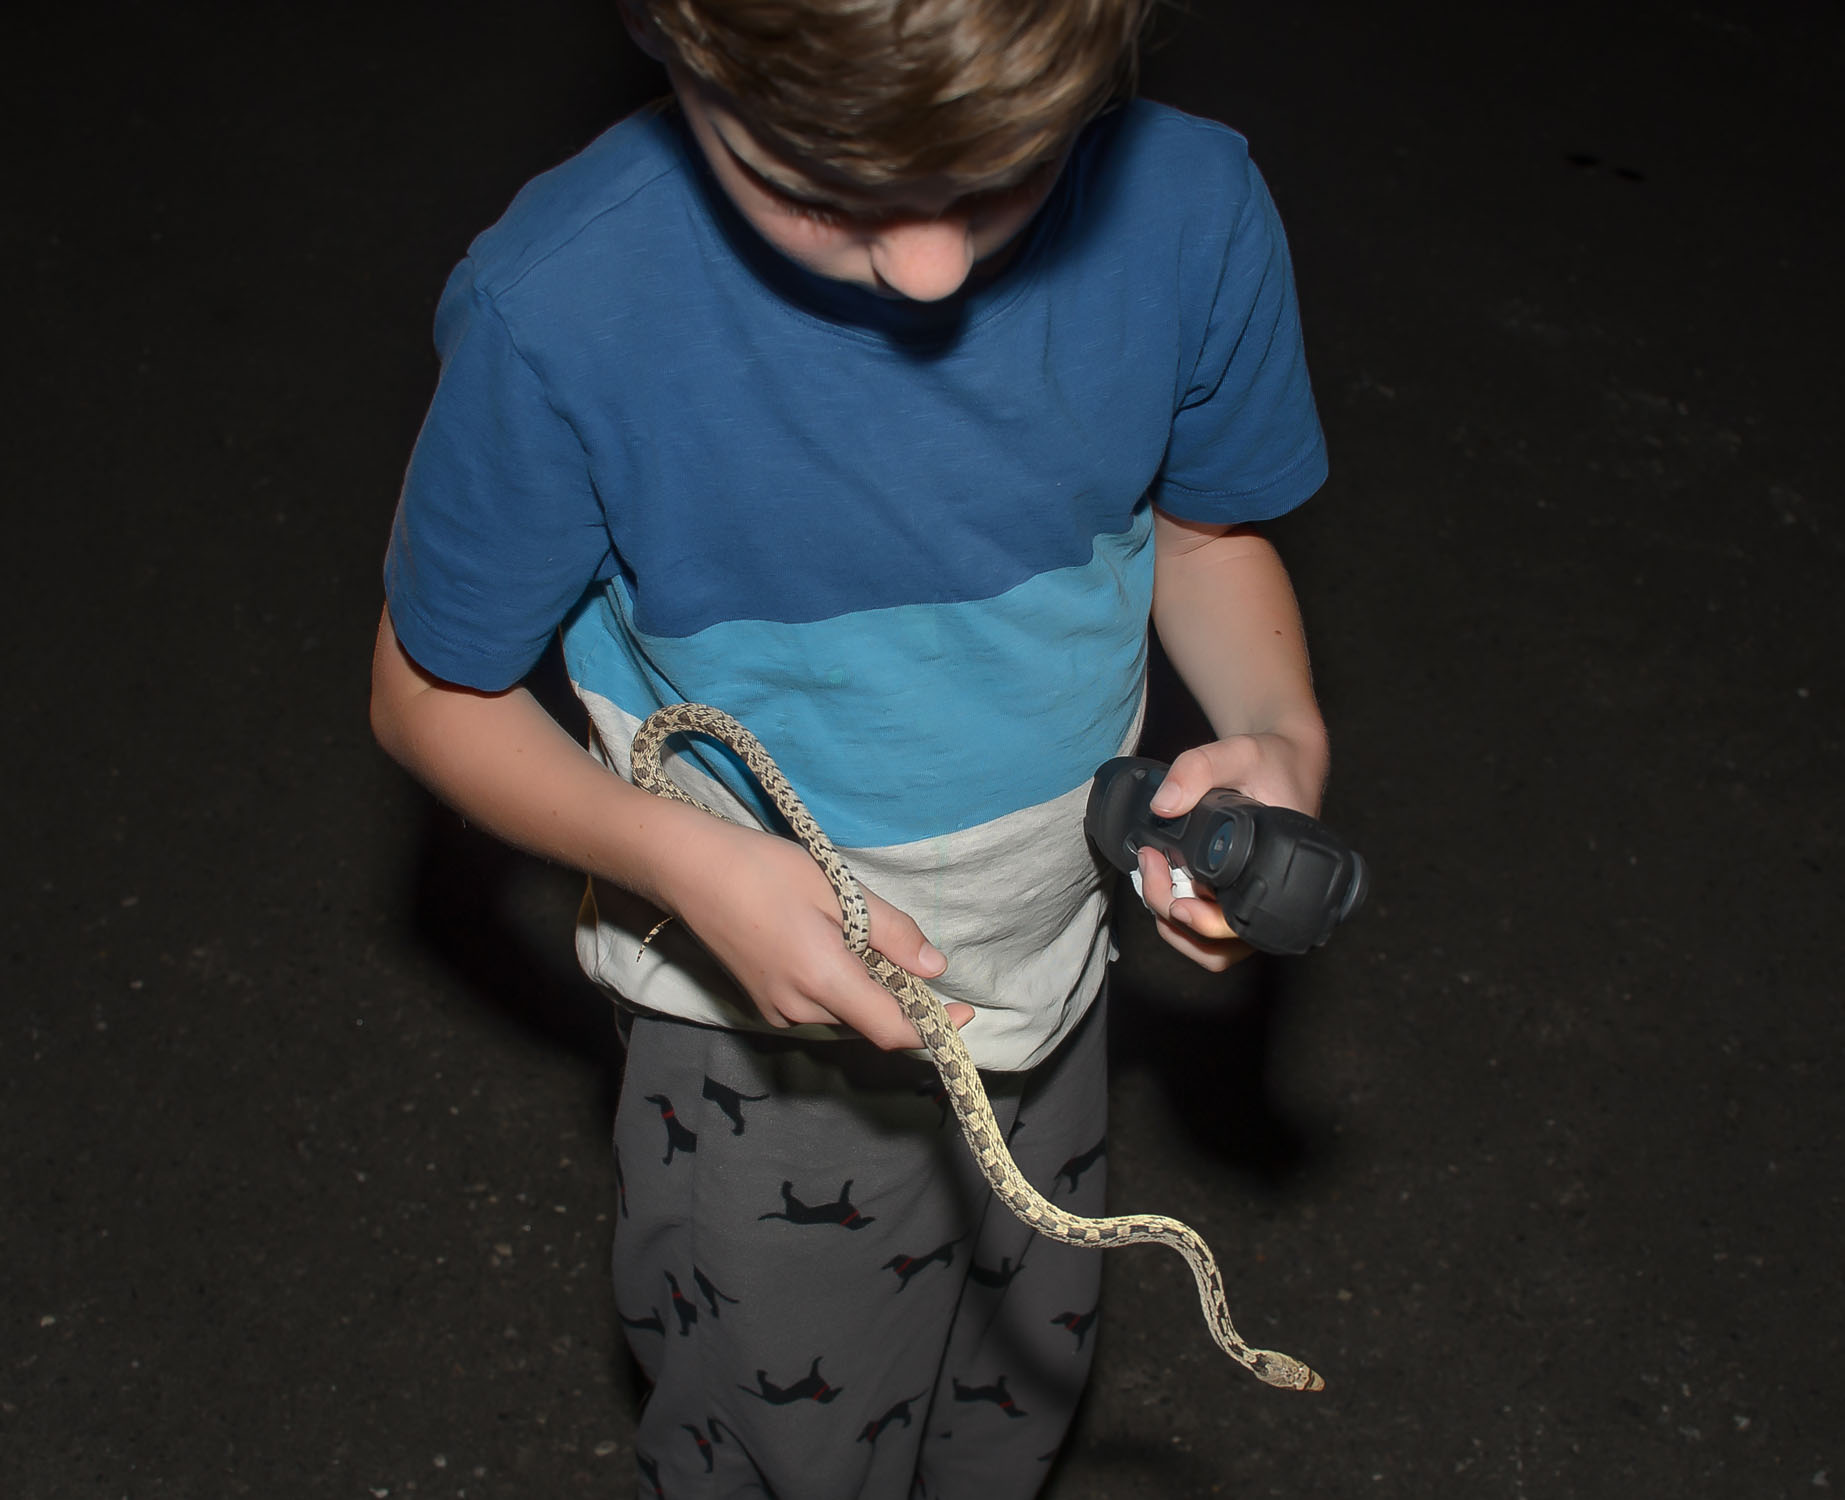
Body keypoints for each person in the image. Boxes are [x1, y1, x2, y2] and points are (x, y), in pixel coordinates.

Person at [369, 0, 1332, 1493]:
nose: (932, 265)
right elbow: (427, 695)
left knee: (1012, 1392)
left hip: (1053, 975)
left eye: (1007, 167)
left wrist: (1276, 732)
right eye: (818, 185)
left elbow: (1207, 538)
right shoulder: (562, 308)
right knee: (790, 1445)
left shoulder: (1189, 206)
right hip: (759, 1044)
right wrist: (690, 868)